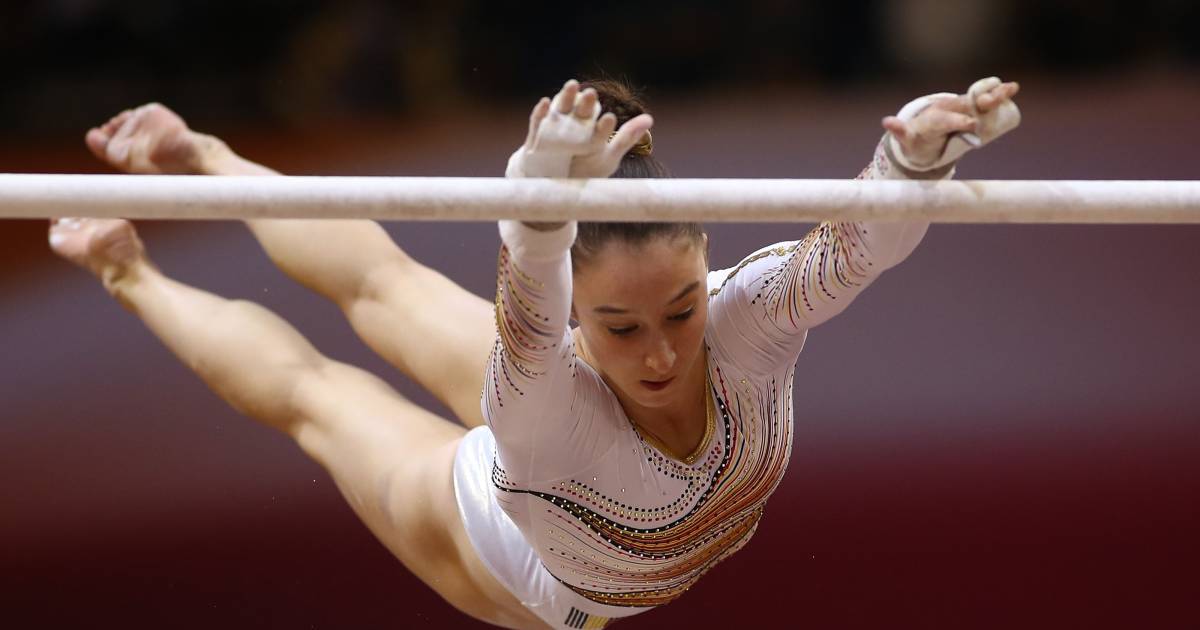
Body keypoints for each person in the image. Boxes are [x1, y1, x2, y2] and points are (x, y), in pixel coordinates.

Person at [51, 77, 1020, 628]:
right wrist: (534, 194)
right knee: (319, 394)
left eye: (680, 311)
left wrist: (910, 162)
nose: (660, 355)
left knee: (391, 292)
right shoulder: (540, 393)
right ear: (575, 318)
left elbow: (853, 247)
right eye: (619, 328)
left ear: (707, 266)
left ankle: (205, 160)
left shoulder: (747, 322)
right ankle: (132, 262)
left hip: (571, 444)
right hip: (504, 548)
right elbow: (525, 304)